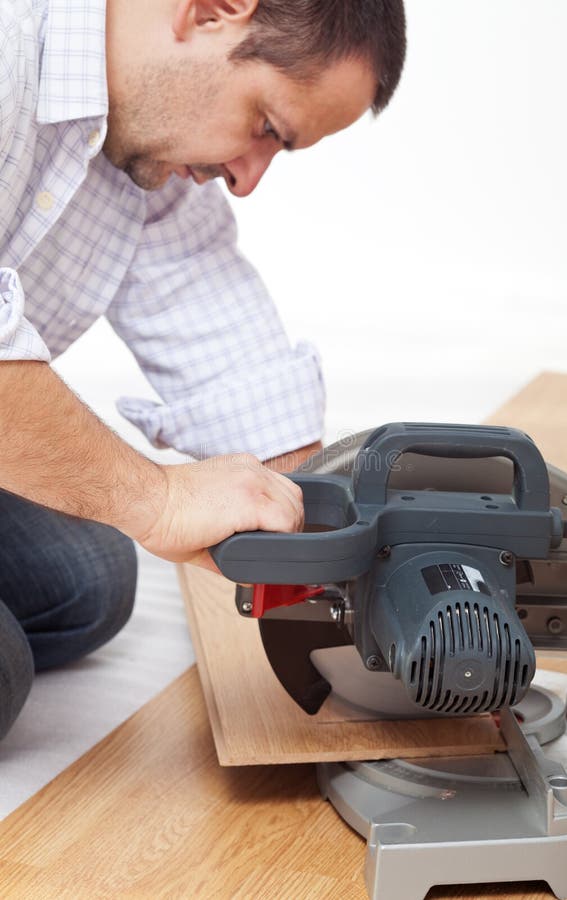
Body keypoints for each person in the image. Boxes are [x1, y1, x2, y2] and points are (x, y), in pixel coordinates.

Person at [0, 0, 407, 739]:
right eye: (265, 128)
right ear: (213, 10)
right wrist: (155, 499)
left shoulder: (137, 139)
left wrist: (334, 528)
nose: (248, 178)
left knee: (90, 581)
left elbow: (211, 323)